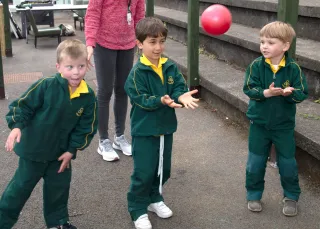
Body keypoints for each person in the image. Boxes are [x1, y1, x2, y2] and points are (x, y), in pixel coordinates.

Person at [0, 39, 98, 229]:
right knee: (18, 190)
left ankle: (58, 223)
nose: (76, 72)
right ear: (58, 67)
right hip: (33, 154)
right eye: (69, 66)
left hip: (60, 156)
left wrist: (71, 150)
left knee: (58, 191)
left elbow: (87, 127)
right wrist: (17, 126)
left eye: (81, 66)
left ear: (87, 65)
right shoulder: (45, 86)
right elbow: (22, 106)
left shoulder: (88, 97)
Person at [125, 17, 199, 229]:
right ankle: (137, 209)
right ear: (140, 44)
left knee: (162, 170)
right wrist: (161, 100)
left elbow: (177, 87)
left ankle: (154, 199)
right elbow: (140, 98)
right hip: (144, 131)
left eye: (162, 41)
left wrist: (180, 96)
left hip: (166, 128)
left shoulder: (170, 66)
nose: (158, 47)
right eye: (152, 42)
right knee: (144, 172)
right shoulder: (137, 73)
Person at [243, 21, 308, 217]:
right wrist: (267, 93)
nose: (264, 46)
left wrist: (291, 94)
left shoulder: (293, 68)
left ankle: (291, 196)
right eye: (262, 41)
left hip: (283, 126)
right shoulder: (256, 65)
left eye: (270, 42)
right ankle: (253, 194)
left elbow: (302, 92)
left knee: (288, 163)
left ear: (285, 46)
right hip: (259, 124)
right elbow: (248, 89)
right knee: (255, 162)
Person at [85, 0, 145, 162]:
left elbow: (139, 17)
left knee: (123, 90)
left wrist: (141, 40)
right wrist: (90, 43)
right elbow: (92, 14)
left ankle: (119, 137)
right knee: (105, 91)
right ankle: (103, 140)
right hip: (104, 43)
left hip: (127, 44)